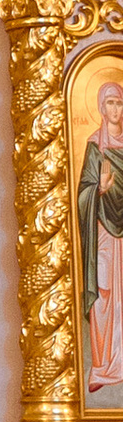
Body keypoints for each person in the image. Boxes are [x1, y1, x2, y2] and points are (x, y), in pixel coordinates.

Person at [81, 80, 123, 396]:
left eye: (119, 103)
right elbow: (84, 192)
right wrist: (101, 189)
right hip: (105, 233)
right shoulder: (95, 146)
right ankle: (103, 365)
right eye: (110, 103)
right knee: (105, 296)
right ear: (100, 107)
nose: (115, 109)